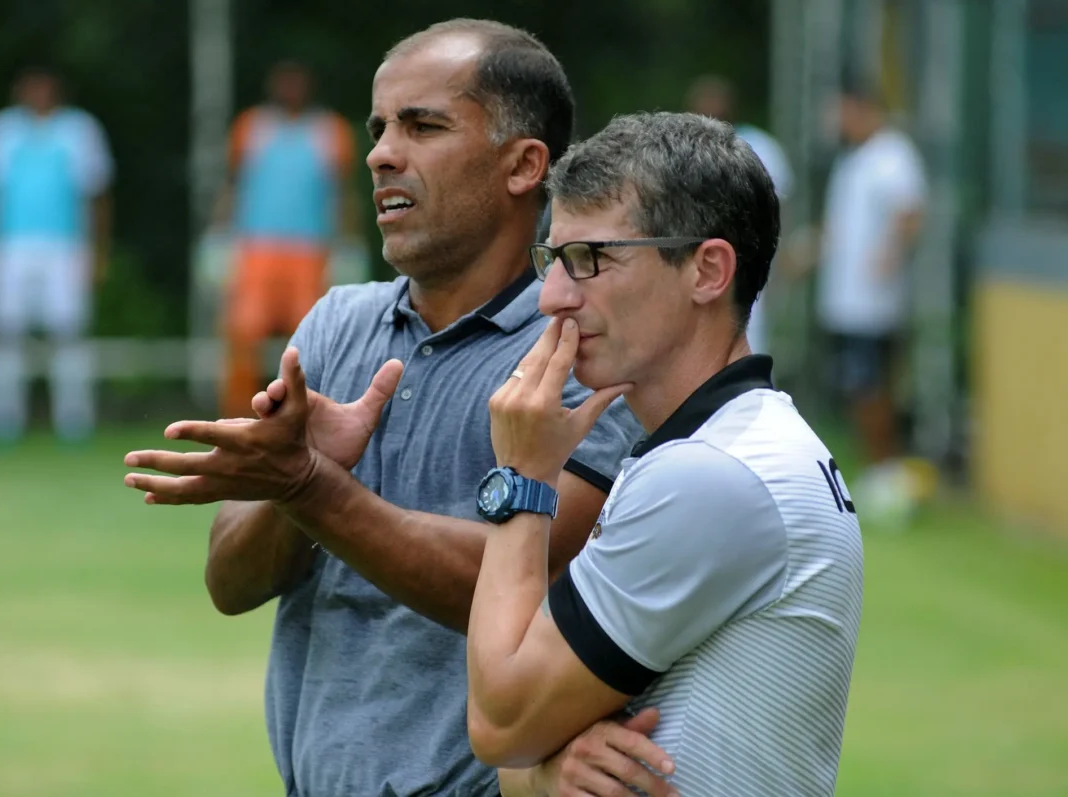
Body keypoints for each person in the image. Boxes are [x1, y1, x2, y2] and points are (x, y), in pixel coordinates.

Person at [124, 19, 682, 797]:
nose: (383, 152)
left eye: (424, 126)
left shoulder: (581, 351)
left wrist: (313, 487)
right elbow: (230, 582)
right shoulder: (335, 323)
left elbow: (549, 585)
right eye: (379, 127)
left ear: (524, 165)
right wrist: (294, 488)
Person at [464, 112, 864, 797]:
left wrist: (522, 479)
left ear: (707, 270)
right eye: (551, 260)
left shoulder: (712, 475)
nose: (553, 298)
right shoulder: (728, 445)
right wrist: (546, 767)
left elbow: (501, 721)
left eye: (589, 259)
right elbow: (522, 755)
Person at [0, 63, 114, 443]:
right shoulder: (2, 130)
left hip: (65, 247)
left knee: (69, 333)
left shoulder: (81, 131)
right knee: (4, 333)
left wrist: (98, 252)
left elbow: (98, 197)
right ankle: (3, 423)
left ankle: (74, 424)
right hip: (9, 247)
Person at [807, 79, 927, 522]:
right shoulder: (852, 162)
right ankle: (877, 474)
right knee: (858, 387)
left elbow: (911, 213)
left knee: (873, 387)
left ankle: (887, 474)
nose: (839, 122)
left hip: (875, 305)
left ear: (864, 109)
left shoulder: (893, 156)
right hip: (844, 301)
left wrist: (889, 254)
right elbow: (840, 228)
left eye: (844, 112)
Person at [213, 60, 357, 419]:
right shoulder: (251, 127)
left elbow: (341, 193)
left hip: (310, 251)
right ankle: (238, 415)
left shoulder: (330, 131)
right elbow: (233, 185)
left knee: (313, 336)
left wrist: (348, 245)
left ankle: (308, 413)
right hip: (255, 249)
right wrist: (217, 240)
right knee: (243, 335)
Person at [686, 74, 793, 355]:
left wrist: (779, 260)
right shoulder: (687, 151)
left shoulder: (760, 146)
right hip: (704, 260)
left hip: (750, 257)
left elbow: (780, 209)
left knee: (750, 335)